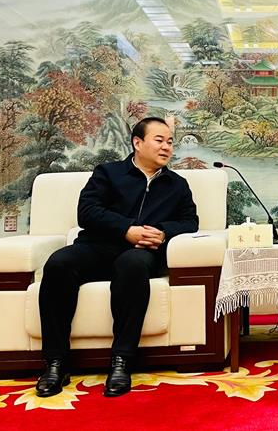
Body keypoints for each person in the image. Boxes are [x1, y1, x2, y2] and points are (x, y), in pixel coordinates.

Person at [35, 116, 199, 398]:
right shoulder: (108, 173)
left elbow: (190, 222)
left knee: (131, 264)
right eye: (159, 140)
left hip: (142, 253)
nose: (166, 147)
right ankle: (55, 362)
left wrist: (163, 232)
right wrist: (126, 229)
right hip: (98, 246)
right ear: (138, 142)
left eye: (170, 142)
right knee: (59, 263)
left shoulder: (177, 185)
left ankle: (122, 360)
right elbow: (87, 212)